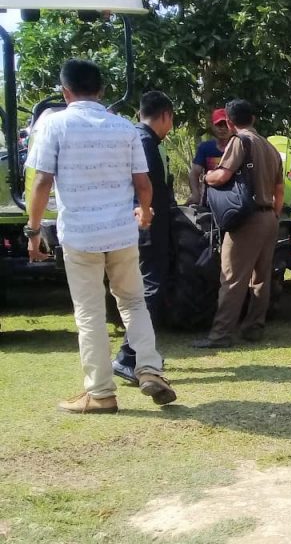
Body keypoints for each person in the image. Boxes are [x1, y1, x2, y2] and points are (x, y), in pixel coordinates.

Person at [24, 59, 176, 412]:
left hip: (80, 236)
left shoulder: (55, 125)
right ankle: (150, 368)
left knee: (90, 313)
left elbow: (42, 182)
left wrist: (33, 232)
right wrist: (146, 211)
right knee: (134, 302)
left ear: (65, 92)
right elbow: (143, 184)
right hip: (122, 233)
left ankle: (101, 393)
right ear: (102, 90)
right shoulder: (124, 128)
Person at [193, 99, 284, 348]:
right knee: (261, 277)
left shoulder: (240, 141)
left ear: (231, 123)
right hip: (269, 218)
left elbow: (223, 175)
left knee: (231, 278)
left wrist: (206, 176)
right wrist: (274, 215)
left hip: (249, 218)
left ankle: (220, 335)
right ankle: (253, 328)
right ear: (253, 119)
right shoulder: (270, 147)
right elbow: (279, 188)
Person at [111, 91, 176, 384]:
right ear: (165, 116)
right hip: (147, 227)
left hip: (136, 225)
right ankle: (128, 355)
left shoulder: (134, 138)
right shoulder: (145, 142)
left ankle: (141, 351)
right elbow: (146, 188)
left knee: (141, 289)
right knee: (149, 289)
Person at [186, 107, 232, 205]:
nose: (223, 128)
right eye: (219, 125)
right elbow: (194, 173)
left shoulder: (238, 147)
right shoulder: (205, 148)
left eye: (226, 125)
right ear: (212, 126)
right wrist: (195, 193)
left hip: (234, 198)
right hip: (211, 200)